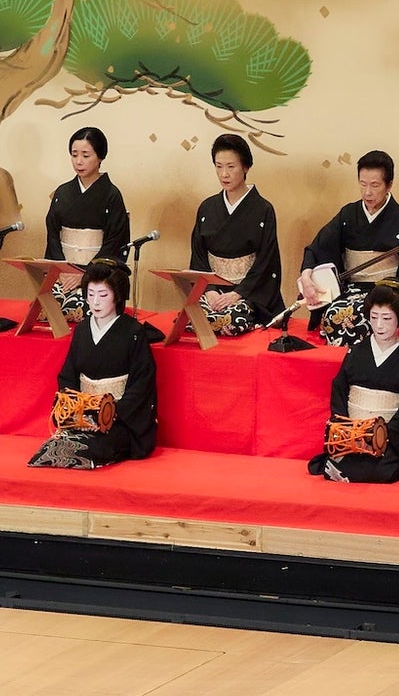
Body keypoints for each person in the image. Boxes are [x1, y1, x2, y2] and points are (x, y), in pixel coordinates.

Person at [28, 261, 158, 469]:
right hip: (83, 416)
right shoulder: (82, 330)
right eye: (91, 294)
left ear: (117, 296)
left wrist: (109, 413)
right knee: (55, 444)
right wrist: (75, 409)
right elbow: (68, 375)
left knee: (96, 444)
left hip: (118, 418)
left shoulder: (133, 332)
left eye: (103, 295)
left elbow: (142, 382)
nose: (95, 302)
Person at [299, 150, 399, 347]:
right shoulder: (348, 214)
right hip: (351, 288)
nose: (367, 192)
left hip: (388, 291)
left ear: (389, 185)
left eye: (375, 185)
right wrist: (306, 277)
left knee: (359, 315)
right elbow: (319, 246)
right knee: (333, 313)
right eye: (362, 184)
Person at [308, 283, 399, 483]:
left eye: (387, 318)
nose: (379, 325)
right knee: (342, 460)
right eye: (374, 317)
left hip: (386, 438)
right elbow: (339, 390)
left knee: (382, 470)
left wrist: (379, 435)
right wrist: (347, 429)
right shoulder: (356, 352)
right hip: (351, 435)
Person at [189, 133, 282, 336]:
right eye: (219, 166)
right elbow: (199, 256)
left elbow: (266, 261)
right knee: (193, 319)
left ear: (246, 167)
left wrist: (237, 294)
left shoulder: (263, 210)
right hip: (213, 292)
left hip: (248, 293)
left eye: (231, 167)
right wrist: (210, 290)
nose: (224, 174)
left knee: (228, 321)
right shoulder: (207, 208)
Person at [43, 126, 131, 324]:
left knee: (89, 308)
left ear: (100, 157)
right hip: (63, 273)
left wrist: (86, 274)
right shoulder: (62, 193)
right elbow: (53, 235)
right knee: (44, 308)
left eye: (85, 155)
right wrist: (62, 270)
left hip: (97, 277)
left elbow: (114, 241)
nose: (79, 161)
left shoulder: (112, 195)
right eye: (74, 155)